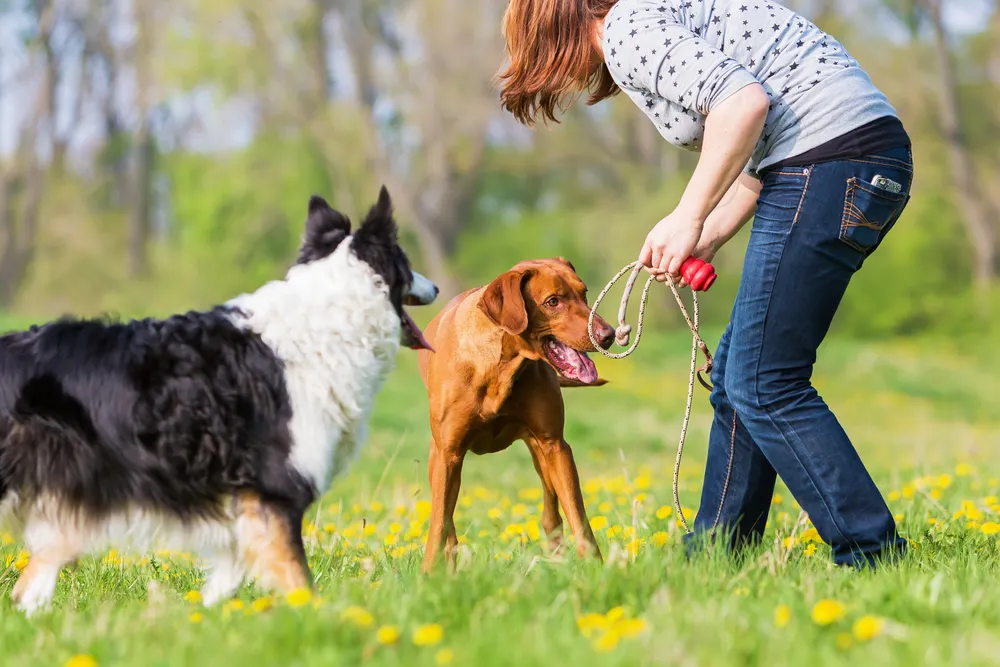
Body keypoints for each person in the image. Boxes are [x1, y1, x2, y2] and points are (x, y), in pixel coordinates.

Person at [497, 0, 912, 568]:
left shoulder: (625, 28)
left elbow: (743, 106)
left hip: (830, 163)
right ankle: (716, 557)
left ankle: (872, 551)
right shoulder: (660, 11)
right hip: (861, 158)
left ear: (550, 28)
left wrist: (687, 215)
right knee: (737, 379)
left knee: (767, 383)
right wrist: (710, 233)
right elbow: (761, 141)